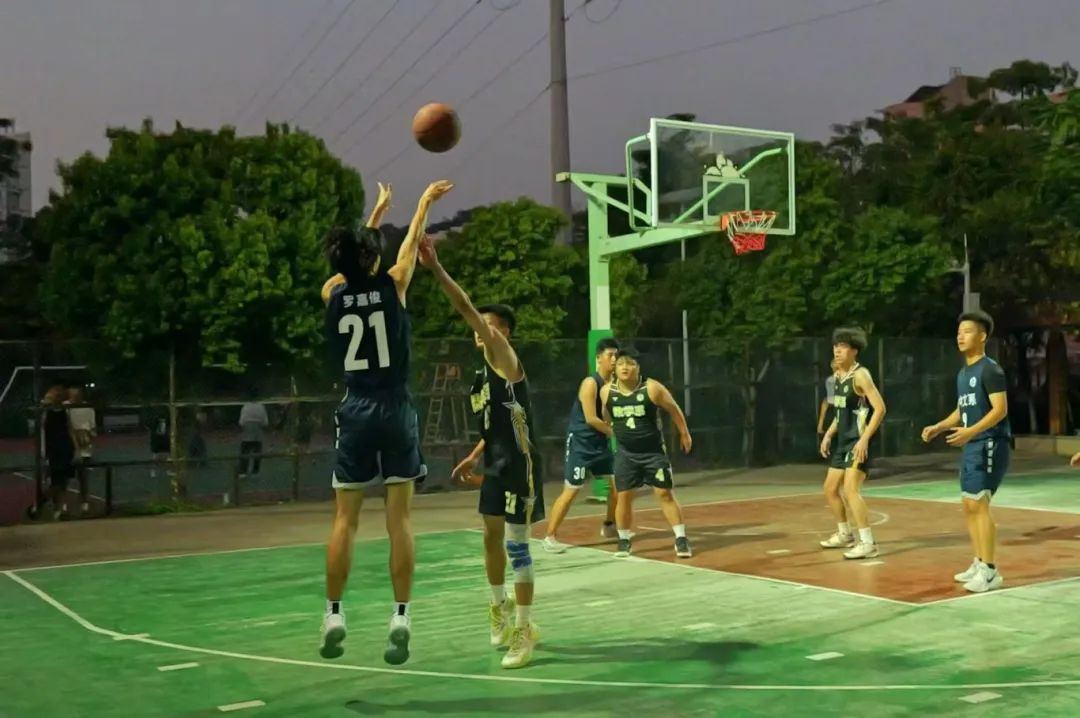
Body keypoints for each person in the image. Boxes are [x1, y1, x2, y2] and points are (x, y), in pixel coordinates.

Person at [318, 179, 452, 666]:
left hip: (355, 408)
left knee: (345, 520)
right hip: (395, 409)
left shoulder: (333, 292)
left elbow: (354, 261)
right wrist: (422, 203)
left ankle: (334, 614)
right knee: (400, 521)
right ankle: (400, 617)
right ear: (374, 257)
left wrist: (373, 215)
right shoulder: (393, 283)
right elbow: (411, 244)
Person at [421, 237, 542, 670]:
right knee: (490, 537)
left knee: (516, 545)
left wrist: (436, 268)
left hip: (520, 466)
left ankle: (525, 631)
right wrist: (476, 454)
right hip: (495, 461)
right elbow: (498, 422)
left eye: (486, 325)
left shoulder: (505, 357)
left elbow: (464, 304)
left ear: (502, 332)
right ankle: (498, 606)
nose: (477, 329)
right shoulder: (481, 376)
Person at [922, 310, 1011, 593]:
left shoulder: (990, 370)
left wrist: (971, 431)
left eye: (968, 331)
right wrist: (940, 426)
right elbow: (963, 409)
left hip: (990, 443)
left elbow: (1000, 410)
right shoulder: (963, 373)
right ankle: (980, 561)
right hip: (973, 444)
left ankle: (990, 571)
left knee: (979, 504)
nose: (961, 336)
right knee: (969, 505)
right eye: (959, 332)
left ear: (982, 336)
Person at [599, 348, 693, 559]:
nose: (625, 367)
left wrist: (684, 433)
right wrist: (610, 429)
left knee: (664, 493)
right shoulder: (606, 392)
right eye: (621, 363)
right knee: (623, 496)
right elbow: (606, 416)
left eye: (630, 363)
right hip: (626, 454)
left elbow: (674, 409)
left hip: (653, 453)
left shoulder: (651, 388)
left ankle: (681, 538)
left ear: (638, 367)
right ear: (615, 368)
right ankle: (624, 540)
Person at [542, 337, 621, 553]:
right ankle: (550, 536)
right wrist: (616, 432)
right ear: (599, 358)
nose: (614, 359)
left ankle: (609, 525)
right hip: (581, 444)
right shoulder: (590, 383)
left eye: (616, 355)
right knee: (572, 490)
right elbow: (591, 419)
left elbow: (608, 414)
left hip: (601, 444)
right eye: (610, 355)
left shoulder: (613, 385)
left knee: (618, 485)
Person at [818, 328, 887, 559]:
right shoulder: (838, 377)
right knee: (830, 489)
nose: (837, 350)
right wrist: (828, 434)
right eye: (835, 346)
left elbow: (880, 408)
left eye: (843, 346)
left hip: (859, 441)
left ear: (854, 351)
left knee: (850, 490)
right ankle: (845, 534)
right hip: (843, 442)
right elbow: (840, 414)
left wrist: (865, 439)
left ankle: (868, 543)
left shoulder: (861, 375)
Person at [66, 387, 96, 516]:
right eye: (72, 395)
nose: (75, 398)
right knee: (65, 477)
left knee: (83, 477)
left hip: (85, 450)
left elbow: (93, 428)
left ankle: (84, 503)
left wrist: (88, 436)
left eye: (77, 395)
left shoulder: (88, 408)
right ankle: (63, 504)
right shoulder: (65, 407)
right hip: (69, 448)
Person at [237, 392, 269, 478]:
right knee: (257, 452)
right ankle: (255, 472)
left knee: (244, 452)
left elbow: (241, 422)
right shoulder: (261, 407)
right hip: (258, 432)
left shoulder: (245, 407)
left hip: (247, 431)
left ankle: (243, 471)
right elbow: (265, 422)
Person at [817, 360, 840, 444]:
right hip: (834, 405)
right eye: (834, 368)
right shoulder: (830, 380)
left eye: (837, 368)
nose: (836, 370)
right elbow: (829, 399)